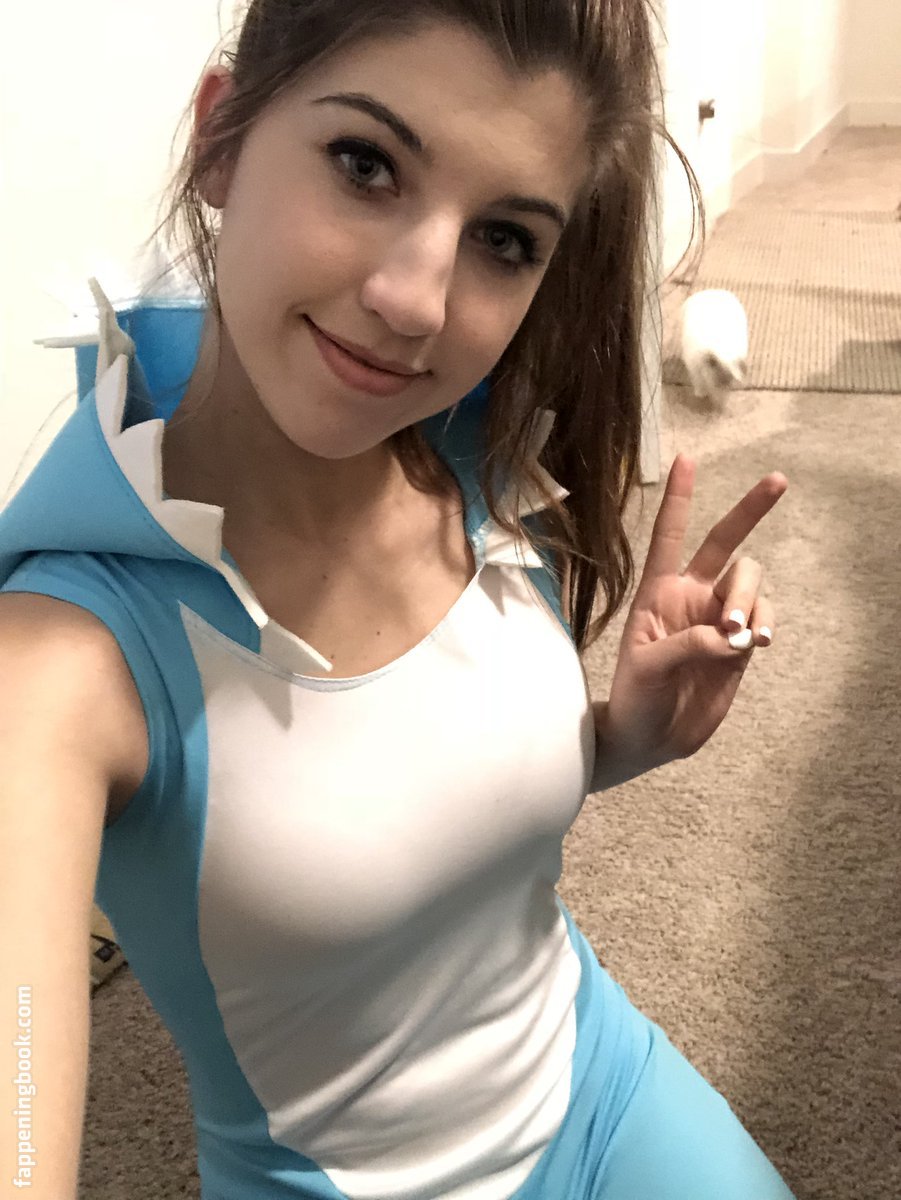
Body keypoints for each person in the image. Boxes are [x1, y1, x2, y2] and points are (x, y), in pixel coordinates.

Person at [0, 1, 794, 1197]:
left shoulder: (476, 454)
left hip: (600, 1084)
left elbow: (402, 793)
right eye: (365, 165)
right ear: (219, 140)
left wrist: (616, 739)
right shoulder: (53, 669)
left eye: (504, 240)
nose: (419, 300)